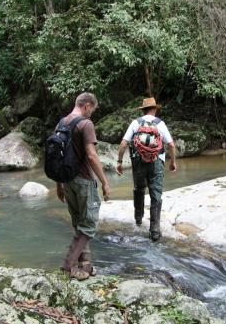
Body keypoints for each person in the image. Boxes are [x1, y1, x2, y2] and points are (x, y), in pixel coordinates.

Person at [56, 92, 110, 281]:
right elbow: (92, 156)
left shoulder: (61, 123)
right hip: (84, 180)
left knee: (79, 223)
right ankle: (68, 264)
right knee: (88, 225)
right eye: (92, 109)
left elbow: (58, 156)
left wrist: (59, 184)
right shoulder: (85, 124)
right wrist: (105, 182)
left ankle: (85, 265)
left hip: (67, 180)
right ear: (87, 105)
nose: (92, 113)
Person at [116, 97, 176, 242]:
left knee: (139, 189)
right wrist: (172, 162)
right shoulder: (160, 123)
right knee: (156, 193)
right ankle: (155, 231)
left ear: (142, 110)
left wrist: (119, 161)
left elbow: (124, 144)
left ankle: (138, 219)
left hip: (138, 161)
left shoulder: (135, 123)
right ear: (155, 109)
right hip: (156, 162)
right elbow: (171, 145)